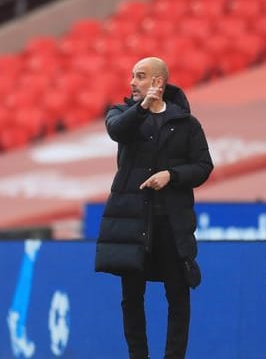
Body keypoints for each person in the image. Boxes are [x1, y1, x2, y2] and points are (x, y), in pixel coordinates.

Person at [95, 57, 214, 359]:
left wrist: (172, 176)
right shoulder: (124, 113)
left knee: (178, 294)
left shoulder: (186, 123)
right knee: (131, 297)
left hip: (172, 223)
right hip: (133, 221)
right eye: (132, 76)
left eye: (141, 76)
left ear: (158, 82)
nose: (133, 82)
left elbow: (203, 166)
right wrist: (142, 107)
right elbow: (117, 131)